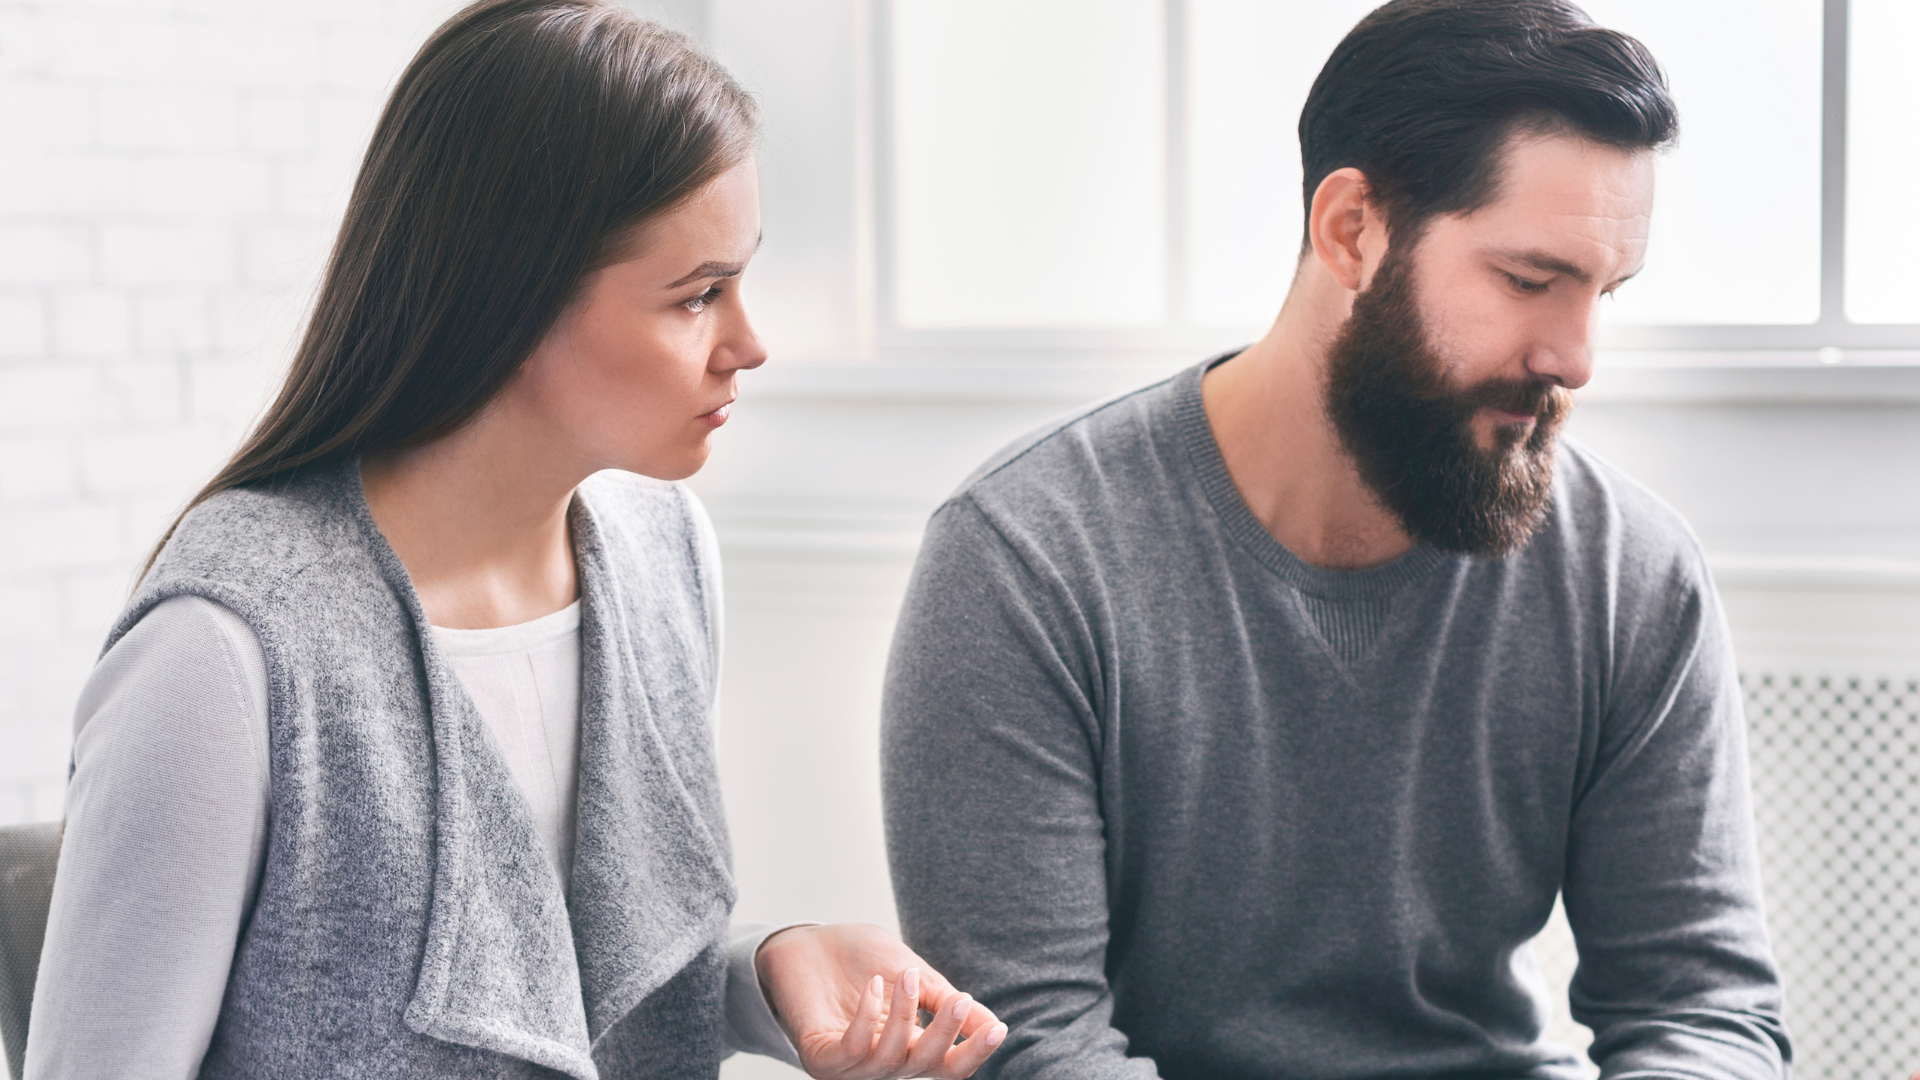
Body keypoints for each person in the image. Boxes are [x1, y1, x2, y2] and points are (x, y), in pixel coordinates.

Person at [25, 2, 1005, 1077]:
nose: (749, 344)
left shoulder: (666, 559)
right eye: (696, 297)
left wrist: (772, 972)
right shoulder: (220, 654)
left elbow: (558, 987)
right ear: (512, 297)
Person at [881, 1, 1790, 1078]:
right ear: (1351, 229)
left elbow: (1701, 1009)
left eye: (1603, 294)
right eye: (1530, 281)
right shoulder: (1025, 561)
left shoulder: (1631, 575)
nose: (1576, 357)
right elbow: (1030, 1048)